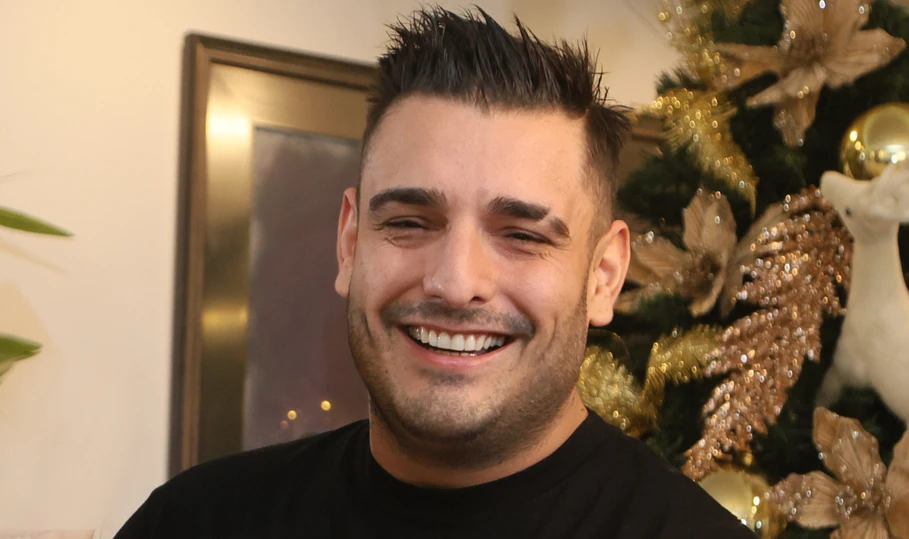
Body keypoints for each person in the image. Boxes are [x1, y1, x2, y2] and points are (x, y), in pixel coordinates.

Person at [115, 7, 756, 538]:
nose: (455, 282)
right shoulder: (193, 522)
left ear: (604, 276)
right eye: (410, 222)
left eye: (522, 235)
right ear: (350, 243)